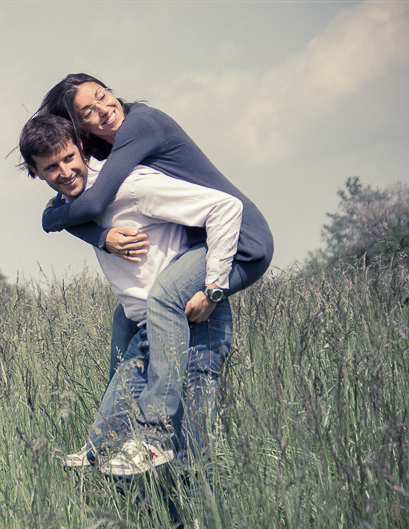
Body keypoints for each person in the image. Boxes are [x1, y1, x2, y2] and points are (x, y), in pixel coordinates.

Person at [33, 74, 273, 465]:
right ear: (80, 128)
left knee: (162, 298)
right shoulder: (108, 147)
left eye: (102, 95)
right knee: (126, 321)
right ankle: (106, 442)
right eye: (88, 111)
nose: (104, 109)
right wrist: (93, 233)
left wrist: (56, 221)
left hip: (240, 242)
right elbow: (87, 200)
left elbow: (94, 204)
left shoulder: (140, 125)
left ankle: (154, 432)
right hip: (202, 242)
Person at [19, 114, 235, 476]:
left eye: (69, 158)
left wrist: (213, 288)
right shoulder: (74, 203)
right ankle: (99, 452)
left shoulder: (131, 187)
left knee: (193, 459)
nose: (66, 171)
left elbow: (225, 207)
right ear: (35, 171)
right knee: (130, 461)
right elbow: (53, 218)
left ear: (83, 150)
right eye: (52, 167)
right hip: (149, 328)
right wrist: (102, 237)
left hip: (195, 322)